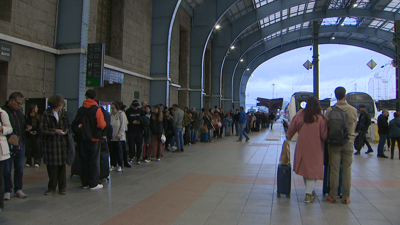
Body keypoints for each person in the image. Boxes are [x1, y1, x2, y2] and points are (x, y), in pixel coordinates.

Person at [286, 97, 328, 203]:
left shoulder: (300, 114)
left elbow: (292, 127)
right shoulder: (320, 118)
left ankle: (310, 191)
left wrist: (288, 137)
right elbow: (324, 136)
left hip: (302, 145)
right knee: (313, 170)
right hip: (316, 148)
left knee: (306, 169)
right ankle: (308, 194)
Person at [326, 87, 357, 204]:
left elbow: (327, 125)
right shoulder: (352, 110)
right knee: (347, 170)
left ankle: (333, 195)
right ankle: (346, 197)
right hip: (348, 142)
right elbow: (355, 123)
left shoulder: (330, 110)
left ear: (336, 95)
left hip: (334, 143)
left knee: (334, 170)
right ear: (345, 96)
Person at [75, 89, 106, 190]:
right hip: (94, 139)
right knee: (94, 161)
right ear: (95, 97)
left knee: (84, 161)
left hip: (82, 139)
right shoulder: (96, 109)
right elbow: (101, 125)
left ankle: (85, 183)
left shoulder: (80, 109)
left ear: (86, 96)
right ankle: (93, 183)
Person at [39, 95, 70, 195]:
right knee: (52, 167)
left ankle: (62, 187)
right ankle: (51, 186)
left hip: (61, 143)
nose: (62, 105)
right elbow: (42, 129)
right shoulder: (46, 114)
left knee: (62, 166)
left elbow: (68, 126)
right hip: (50, 144)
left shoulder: (63, 113)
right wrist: (54, 131)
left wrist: (65, 131)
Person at [2, 92, 29, 199]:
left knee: (19, 167)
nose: (19, 105)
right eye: (18, 103)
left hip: (20, 142)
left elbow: (21, 123)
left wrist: (26, 127)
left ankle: (18, 188)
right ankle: (7, 189)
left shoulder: (19, 111)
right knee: (7, 168)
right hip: (9, 143)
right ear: (11, 101)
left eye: (21, 104)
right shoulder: (3, 111)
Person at [125, 100, 146, 164]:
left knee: (139, 144)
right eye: (135, 106)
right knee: (131, 144)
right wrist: (132, 122)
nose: (136, 108)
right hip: (131, 131)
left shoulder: (141, 111)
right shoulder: (128, 111)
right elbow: (126, 121)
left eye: (137, 107)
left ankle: (138, 157)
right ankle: (131, 156)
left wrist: (141, 124)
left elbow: (144, 120)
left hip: (139, 130)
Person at [109, 103, 128, 172]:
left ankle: (120, 165)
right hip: (112, 136)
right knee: (112, 151)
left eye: (113, 108)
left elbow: (123, 125)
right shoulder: (111, 115)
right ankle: (113, 164)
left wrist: (120, 133)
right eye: (111, 108)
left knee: (119, 152)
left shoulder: (121, 114)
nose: (112, 110)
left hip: (119, 137)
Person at [0, 107, 12, 211]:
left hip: (1, 151)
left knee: (0, 176)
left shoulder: (2, 113)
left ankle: (0, 203)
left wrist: (1, 129)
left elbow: (10, 128)